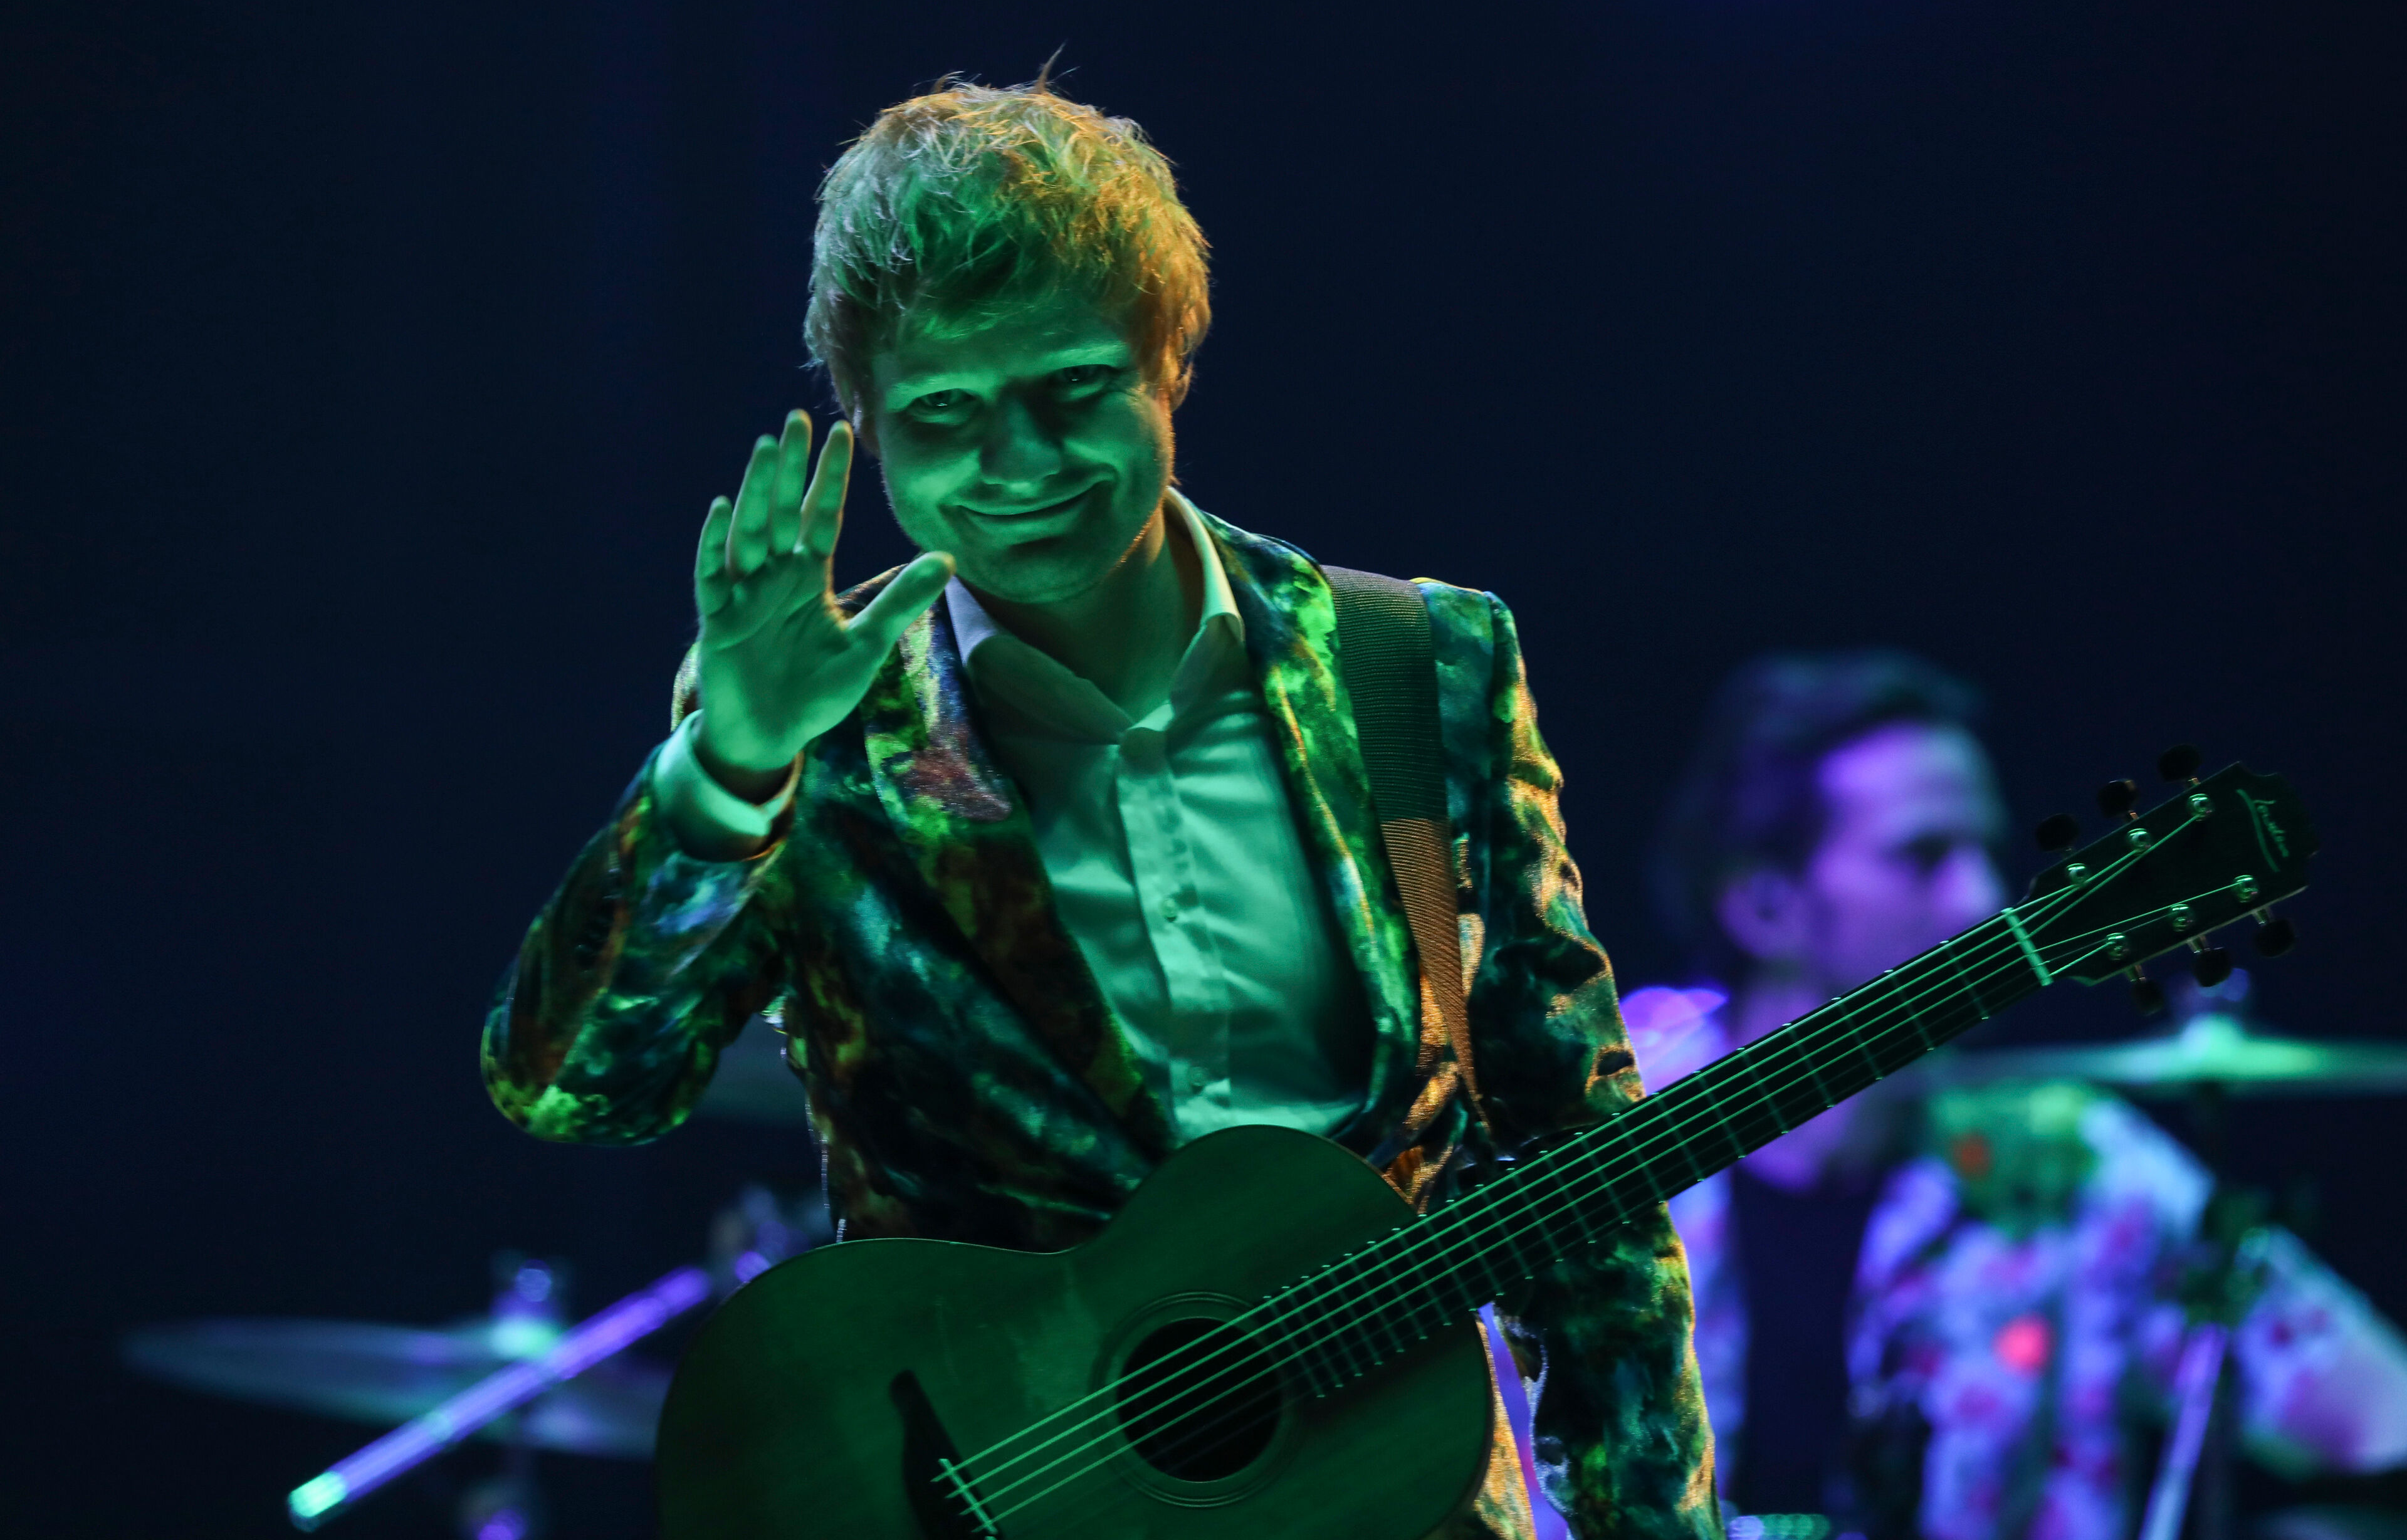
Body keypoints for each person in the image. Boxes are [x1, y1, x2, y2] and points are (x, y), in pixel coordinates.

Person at [481, 80, 1717, 1539]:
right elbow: (575, 1090)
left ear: (1169, 360)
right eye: (944, 414)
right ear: (867, 428)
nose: (1019, 463)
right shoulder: (818, 719)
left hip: (1404, 1497)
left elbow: (1578, 1161)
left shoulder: (1414, 666)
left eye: (1072, 388)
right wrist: (732, 766)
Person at [1623, 651, 2407, 1538]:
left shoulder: (2072, 1167)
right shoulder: (1597, 1142)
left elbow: (2384, 1421)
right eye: (1922, 856)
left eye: (1983, 851)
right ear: (1765, 904)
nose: (1984, 899)